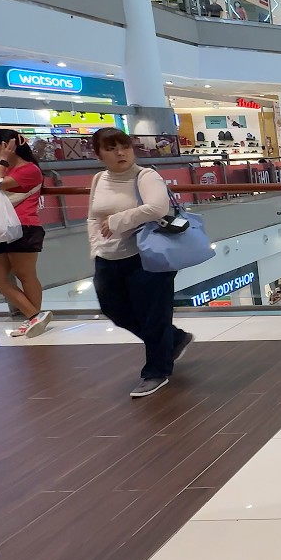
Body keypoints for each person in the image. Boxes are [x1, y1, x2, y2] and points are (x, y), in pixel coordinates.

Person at [86, 128, 194, 398]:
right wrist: (95, 247)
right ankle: (174, 338)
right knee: (114, 310)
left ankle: (156, 371)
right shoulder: (99, 179)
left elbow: (157, 208)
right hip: (107, 258)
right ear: (98, 153)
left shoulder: (145, 176)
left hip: (146, 255)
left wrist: (116, 221)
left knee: (153, 314)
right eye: (110, 148)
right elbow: (91, 217)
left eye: (124, 146)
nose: (120, 153)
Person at [0, 129, 52, 337]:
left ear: (6, 146)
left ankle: (32, 318)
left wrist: (3, 161)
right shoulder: (8, 170)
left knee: (25, 275)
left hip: (23, 226)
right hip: (4, 228)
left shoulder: (29, 169)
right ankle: (34, 316)